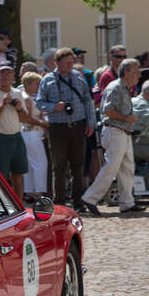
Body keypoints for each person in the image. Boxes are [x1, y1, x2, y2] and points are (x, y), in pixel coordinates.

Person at [80, 58, 145, 215]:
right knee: (111, 168)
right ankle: (89, 198)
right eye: (136, 70)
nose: (139, 74)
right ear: (127, 71)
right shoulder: (116, 87)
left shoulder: (123, 88)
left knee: (127, 168)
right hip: (115, 131)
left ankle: (127, 203)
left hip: (122, 132)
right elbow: (108, 111)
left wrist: (127, 120)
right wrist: (126, 118)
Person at [36, 48, 95, 211]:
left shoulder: (78, 77)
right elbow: (39, 103)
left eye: (72, 62)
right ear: (57, 63)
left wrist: (91, 123)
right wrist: (55, 106)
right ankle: (59, 203)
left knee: (78, 165)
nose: (70, 65)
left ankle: (78, 202)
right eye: (67, 62)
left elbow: (87, 100)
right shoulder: (47, 80)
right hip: (58, 128)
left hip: (78, 125)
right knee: (58, 166)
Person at [0, 61, 30, 200]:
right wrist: (2, 104)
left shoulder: (18, 92)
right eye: (2, 72)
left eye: (8, 72)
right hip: (0, 138)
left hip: (16, 137)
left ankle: (19, 205)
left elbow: (25, 118)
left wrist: (19, 108)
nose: (5, 76)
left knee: (18, 175)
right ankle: (1, 206)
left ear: (13, 75)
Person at [20, 72, 49, 199]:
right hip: (31, 132)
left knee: (31, 163)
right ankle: (39, 192)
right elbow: (27, 118)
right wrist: (43, 123)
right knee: (40, 162)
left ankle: (29, 190)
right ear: (27, 84)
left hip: (30, 133)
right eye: (36, 83)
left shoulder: (29, 97)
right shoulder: (26, 98)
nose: (38, 86)